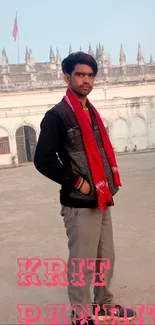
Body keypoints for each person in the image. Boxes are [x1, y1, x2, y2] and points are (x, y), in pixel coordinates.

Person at [34, 52, 136, 324]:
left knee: (105, 259)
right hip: (79, 203)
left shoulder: (91, 112)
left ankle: (103, 304)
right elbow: (43, 159)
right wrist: (78, 182)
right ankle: (80, 315)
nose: (86, 80)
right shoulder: (58, 116)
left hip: (102, 199)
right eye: (80, 74)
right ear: (67, 77)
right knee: (82, 263)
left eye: (90, 75)